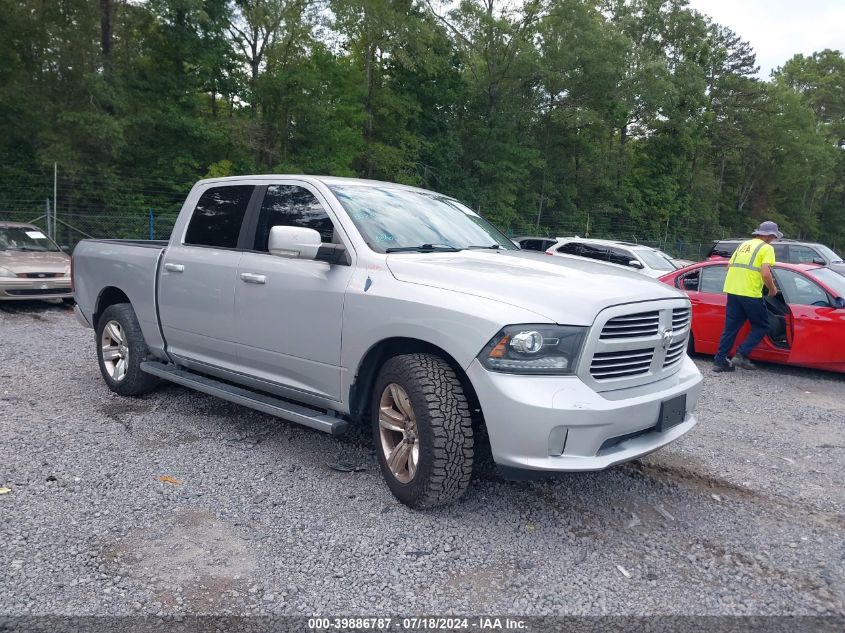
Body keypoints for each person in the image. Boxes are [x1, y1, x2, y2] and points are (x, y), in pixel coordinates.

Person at [712, 221, 782, 372]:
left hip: (733, 291)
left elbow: (728, 266)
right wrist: (772, 289)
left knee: (730, 328)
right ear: (770, 235)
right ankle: (741, 354)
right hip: (750, 293)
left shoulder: (744, 245)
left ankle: (719, 361)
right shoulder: (767, 248)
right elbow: (765, 273)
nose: (773, 240)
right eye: (773, 237)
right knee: (762, 325)